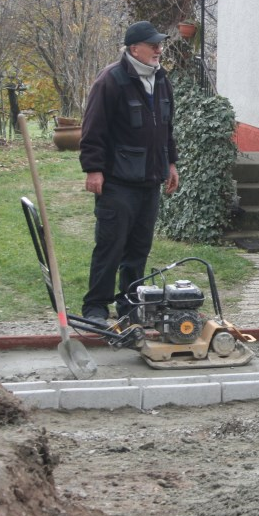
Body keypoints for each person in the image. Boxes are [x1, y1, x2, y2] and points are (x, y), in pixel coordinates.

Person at [79, 21, 179, 324]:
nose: (159, 49)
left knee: (138, 249)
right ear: (134, 48)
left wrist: (171, 164)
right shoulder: (111, 80)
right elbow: (93, 128)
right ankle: (96, 308)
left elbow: (166, 129)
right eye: (153, 45)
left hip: (150, 181)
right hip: (117, 181)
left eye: (160, 44)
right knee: (111, 245)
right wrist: (94, 170)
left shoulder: (161, 80)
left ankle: (131, 306)